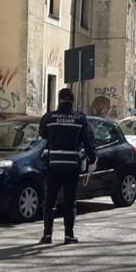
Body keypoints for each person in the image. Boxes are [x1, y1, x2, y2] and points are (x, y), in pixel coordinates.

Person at [38, 87, 95, 245]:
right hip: (71, 166)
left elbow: (42, 134)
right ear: (73, 100)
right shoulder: (79, 118)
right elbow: (88, 141)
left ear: (58, 99)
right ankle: (69, 235)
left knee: (50, 201)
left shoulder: (49, 117)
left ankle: (47, 235)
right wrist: (93, 158)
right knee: (70, 201)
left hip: (53, 165)